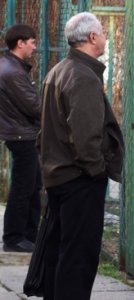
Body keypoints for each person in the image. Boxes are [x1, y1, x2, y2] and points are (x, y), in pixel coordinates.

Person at [38, 12, 124, 300]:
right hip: (79, 180)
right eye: (102, 32)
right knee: (79, 255)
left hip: (58, 176)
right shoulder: (83, 77)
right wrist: (97, 170)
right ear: (91, 37)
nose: (105, 37)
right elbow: (86, 137)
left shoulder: (58, 70)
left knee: (59, 250)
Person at [0, 25, 41, 253]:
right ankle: (15, 237)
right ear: (21, 43)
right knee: (24, 187)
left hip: (21, 132)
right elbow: (34, 106)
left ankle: (28, 235)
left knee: (32, 185)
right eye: (32, 42)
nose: (35, 47)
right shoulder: (14, 72)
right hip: (22, 134)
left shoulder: (11, 66)